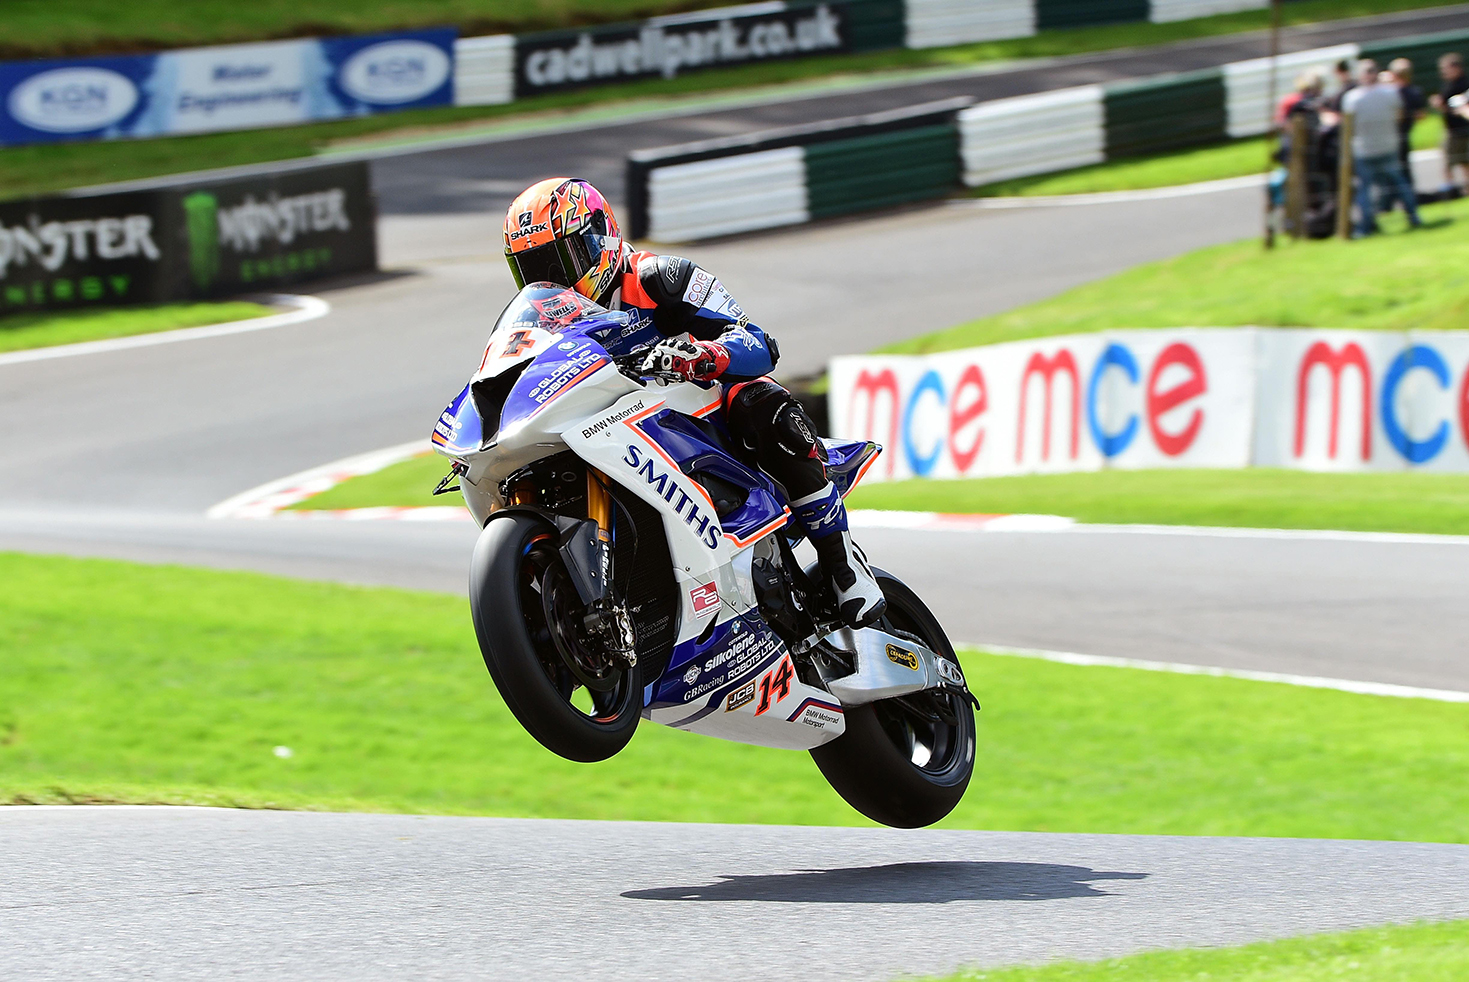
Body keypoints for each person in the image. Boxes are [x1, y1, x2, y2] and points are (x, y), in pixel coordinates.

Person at [501, 177, 886, 629]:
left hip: (695, 419)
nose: (553, 279)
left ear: (600, 238)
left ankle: (842, 564)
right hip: (606, 429)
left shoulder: (661, 277)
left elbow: (760, 343)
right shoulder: (538, 321)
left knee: (761, 400)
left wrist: (706, 356)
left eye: (561, 260)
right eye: (534, 269)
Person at [1342, 60, 1422, 236]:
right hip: (1389, 145)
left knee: (1365, 189)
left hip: (1364, 149)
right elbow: (1399, 117)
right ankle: (1414, 216)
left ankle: (1366, 227)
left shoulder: (1352, 98)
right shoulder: (1391, 93)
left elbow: (1349, 127)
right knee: (1400, 183)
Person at [1430, 52, 1469, 194]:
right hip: (1454, 128)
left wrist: (1440, 105)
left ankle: (1450, 190)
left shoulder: (1463, 84)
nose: (1443, 72)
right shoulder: (1449, 84)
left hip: (1459, 129)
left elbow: (1457, 108)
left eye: (1446, 68)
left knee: (1450, 161)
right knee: (1463, 162)